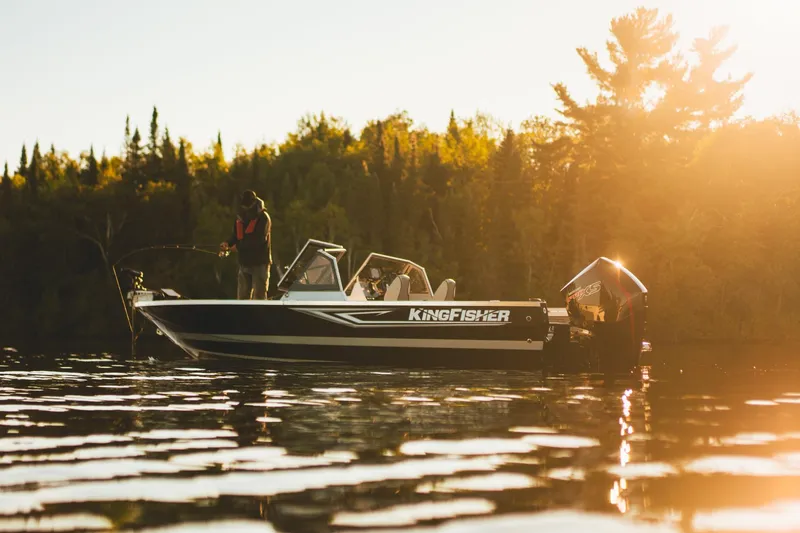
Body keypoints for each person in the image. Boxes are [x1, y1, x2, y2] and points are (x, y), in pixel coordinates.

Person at [220, 190, 272, 299]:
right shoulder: (241, 217)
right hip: (244, 263)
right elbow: (236, 235)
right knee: (242, 297)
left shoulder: (263, 218)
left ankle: (260, 315)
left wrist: (237, 247)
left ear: (253, 203)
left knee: (259, 296)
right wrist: (227, 243)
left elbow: (258, 240)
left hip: (260, 263)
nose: (245, 208)